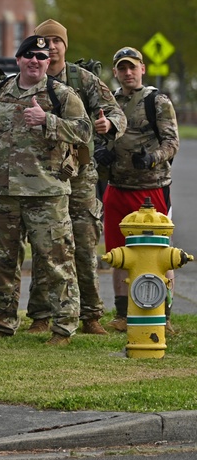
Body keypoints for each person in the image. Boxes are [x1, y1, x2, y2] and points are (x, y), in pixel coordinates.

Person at [0, 35, 91, 346]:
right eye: (29, 55)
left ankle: (64, 327)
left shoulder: (60, 94)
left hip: (47, 194)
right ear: (18, 59)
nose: (36, 60)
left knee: (55, 261)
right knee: (4, 262)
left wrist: (49, 121)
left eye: (42, 57)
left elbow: (85, 131)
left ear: (49, 63)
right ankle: (4, 322)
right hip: (5, 193)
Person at [27, 19, 126, 335]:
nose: (52, 47)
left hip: (80, 175)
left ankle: (90, 315)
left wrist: (108, 125)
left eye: (57, 41)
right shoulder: (28, 79)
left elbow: (116, 113)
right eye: (46, 41)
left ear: (65, 45)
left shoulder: (84, 80)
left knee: (84, 243)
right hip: (42, 175)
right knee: (46, 246)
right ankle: (41, 316)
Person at [97, 46, 179, 331]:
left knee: (158, 252)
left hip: (151, 189)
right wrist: (102, 151)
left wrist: (151, 159)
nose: (127, 72)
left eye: (132, 67)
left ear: (142, 68)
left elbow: (171, 142)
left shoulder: (157, 101)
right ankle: (122, 314)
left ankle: (163, 315)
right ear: (116, 72)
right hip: (117, 187)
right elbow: (103, 135)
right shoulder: (110, 102)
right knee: (118, 253)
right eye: (122, 68)